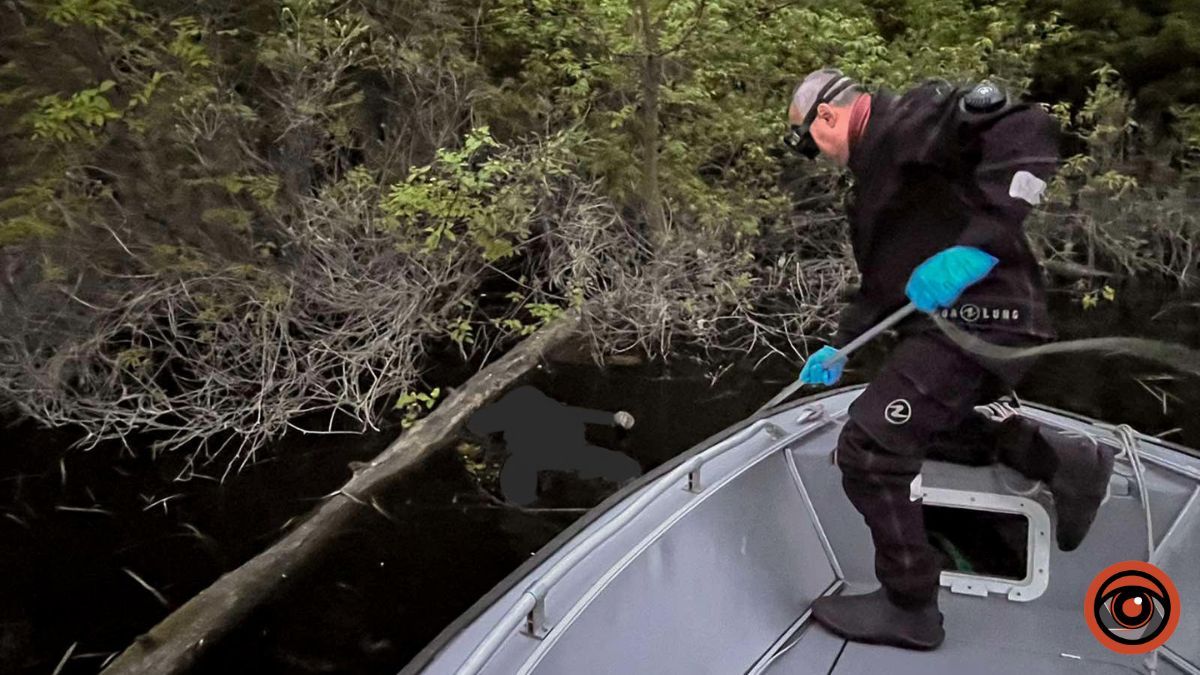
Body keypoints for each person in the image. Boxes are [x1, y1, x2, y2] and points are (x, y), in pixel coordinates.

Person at [785, 68, 1116, 650]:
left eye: (809, 137)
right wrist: (841, 345)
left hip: (983, 319)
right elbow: (882, 287)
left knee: (868, 448)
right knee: (932, 434)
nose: (816, 151)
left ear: (827, 117)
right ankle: (1065, 462)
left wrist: (979, 244)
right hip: (955, 329)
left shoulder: (913, 119)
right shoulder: (877, 179)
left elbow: (1026, 128)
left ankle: (910, 605)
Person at [466, 385, 640, 506]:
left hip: (562, 452)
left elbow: (476, 425)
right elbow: (578, 413)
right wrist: (613, 418)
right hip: (546, 454)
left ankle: (523, 504)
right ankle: (523, 504)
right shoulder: (522, 408)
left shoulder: (538, 408)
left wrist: (613, 418)